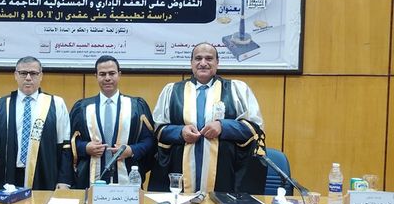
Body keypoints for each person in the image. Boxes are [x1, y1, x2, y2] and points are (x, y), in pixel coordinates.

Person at [149, 42, 265, 194]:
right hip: (179, 169)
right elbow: (158, 129)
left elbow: (254, 128)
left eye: (209, 58)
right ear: (191, 63)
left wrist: (223, 126)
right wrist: (180, 132)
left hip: (225, 172)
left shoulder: (236, 90)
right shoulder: (172, 91)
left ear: (217, 63)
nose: (203, 63)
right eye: (198, 58)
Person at [70, 55, 155, 187]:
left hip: (127, 176)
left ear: (119, 75)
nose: (107, 78)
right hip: (90, 177)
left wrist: (132, 150)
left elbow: (149, 140)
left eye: (112, 73)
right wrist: (85, 148)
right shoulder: (82, 108)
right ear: (96, 76)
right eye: (102, 74)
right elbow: (71, 141)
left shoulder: (136, 107)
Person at [0, 56, 73, 190]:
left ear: (41, 76)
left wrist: (64, 180)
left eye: (33, 73)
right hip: (9, 176)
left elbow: (65, 146)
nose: (28, 78)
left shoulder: (56, 104)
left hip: (44, 175)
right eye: (23, 73)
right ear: (16, 75)